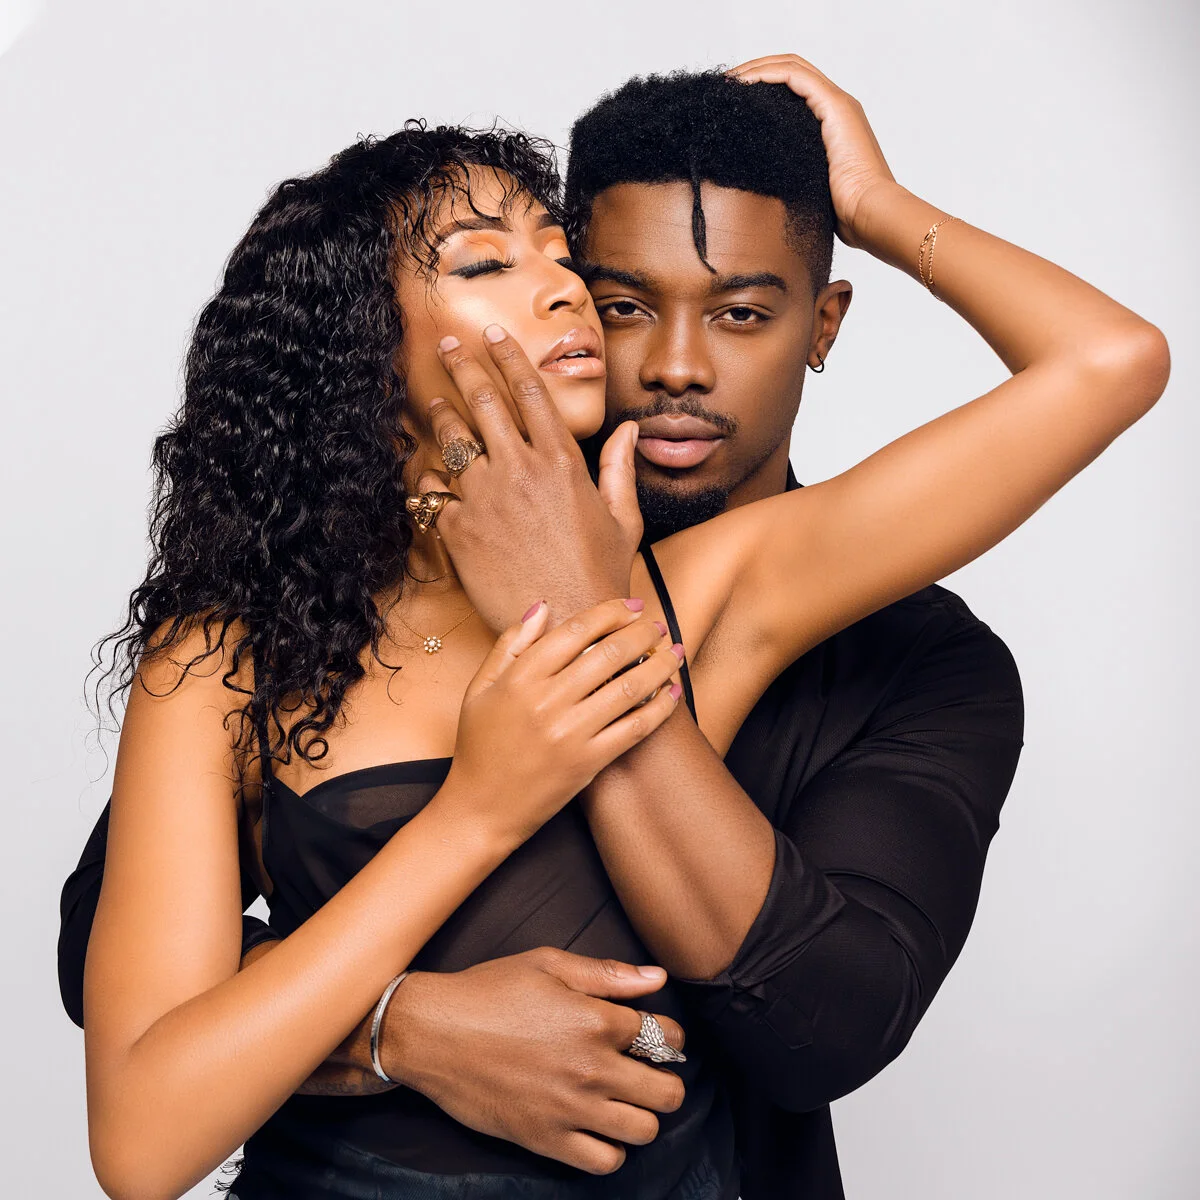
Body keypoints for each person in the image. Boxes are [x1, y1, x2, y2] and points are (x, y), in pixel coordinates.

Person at [62, 56, 1169, 1200]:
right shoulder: (226, 655)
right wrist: (459, 865)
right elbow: (140, 1131)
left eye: (560, 260)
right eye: (495, 263)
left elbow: (1108, 362)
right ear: (355, 338)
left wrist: (877, 207)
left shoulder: (704, 587)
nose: (566, 295)